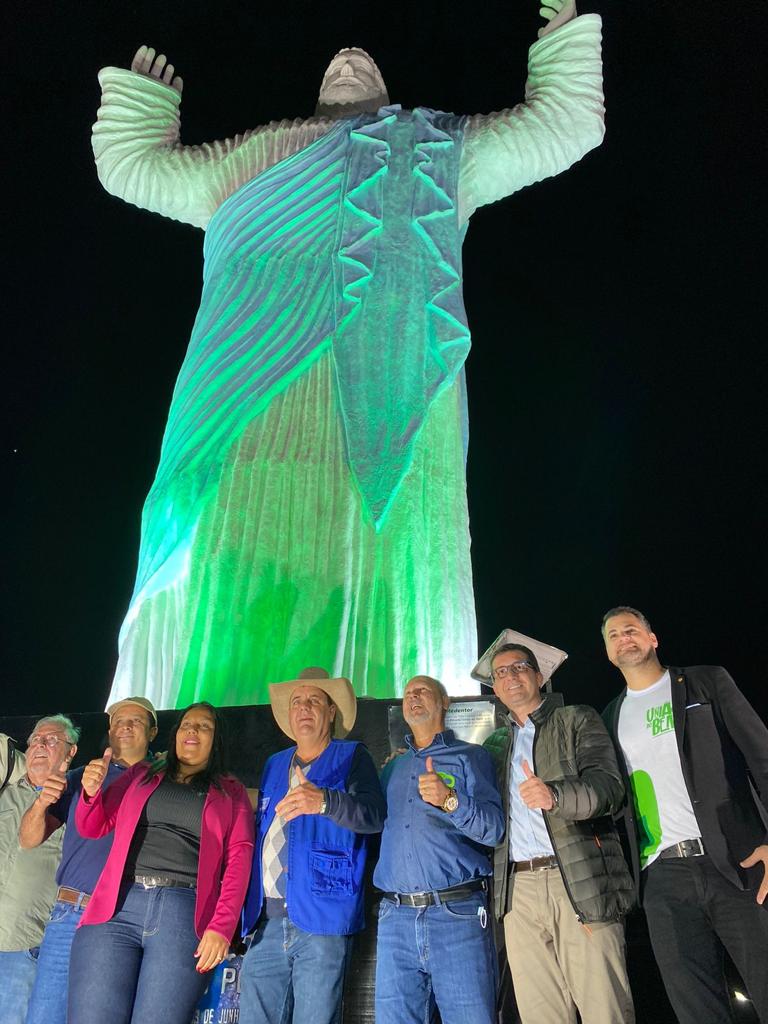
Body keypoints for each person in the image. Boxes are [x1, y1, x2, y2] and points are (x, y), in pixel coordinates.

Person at [93, 0, 605, 709]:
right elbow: (133, 170)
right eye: (338, 63)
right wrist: (141, 104)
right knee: (218, 537)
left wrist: (563, 49)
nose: (346, 61)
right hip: (242, 388)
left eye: (363, 63)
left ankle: (409, 717)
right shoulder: (247, 154)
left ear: (387, 92)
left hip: (389, 395)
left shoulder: (432, 145)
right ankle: (202, 718)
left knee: (391, 555)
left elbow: (565, 127)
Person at [601, 606, 768, 1024]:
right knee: (696, 1008)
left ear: (652, 639)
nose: (624, 637)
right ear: (607, 652)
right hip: (661, 879)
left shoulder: (706, 682)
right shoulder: (609, 718)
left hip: (736, 862)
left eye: (632, 629)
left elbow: (761, 756)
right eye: (614, 635)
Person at [66, 702, 254, 1024]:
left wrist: (222, 926)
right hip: (117, 907)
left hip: (182, 913)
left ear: (217, 739)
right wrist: (91, 794)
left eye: (204, 726)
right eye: (185, 725)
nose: (192, 730)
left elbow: (239, 858)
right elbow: (93, 825)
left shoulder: (231, 792)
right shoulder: (142, 774)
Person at [483, 643, 634, 1024]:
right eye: (500, 672)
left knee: (605, 1007)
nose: (510, 676)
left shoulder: (576, 719)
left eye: (519, 667)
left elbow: (610, 789)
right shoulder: (493, 747)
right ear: (495, 689)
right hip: (517, 893)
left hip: (579, 884)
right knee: (540, 1014)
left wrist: (555, 795)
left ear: (539, 676)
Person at [239, 668, 385, 1024]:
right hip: (266, 922)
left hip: (322, 918)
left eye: (315, 700)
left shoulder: (353, 756)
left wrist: (324, 802)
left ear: (331, 712)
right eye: (297, 702)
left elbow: (374, 816)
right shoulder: (275, 763)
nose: (304, 708)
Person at [374, 675, 504, 1024]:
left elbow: (494, 830)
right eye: (407, 694)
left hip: (456, 914)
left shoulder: (470, 757)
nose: (413, 697)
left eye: (422, 691)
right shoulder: (393, 769)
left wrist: (450, 800)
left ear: (444, 702)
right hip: (395, 918)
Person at [20, 697, 157, 1024]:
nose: (125, 725)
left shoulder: (163, 781)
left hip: (124, 915)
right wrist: (42, 803)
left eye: (135, 721)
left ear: (152, 732)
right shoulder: (84, 776)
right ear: (109, 730)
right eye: (119, 720)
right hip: (73, 912)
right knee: (45, 1016)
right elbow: (28, 839)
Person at [0, 715, 79, 1024]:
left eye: (51, 740)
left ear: (71, 752)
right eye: (35, 740)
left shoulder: (77, 800)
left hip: (23, 947)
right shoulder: (6, 792)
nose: (40, 746)